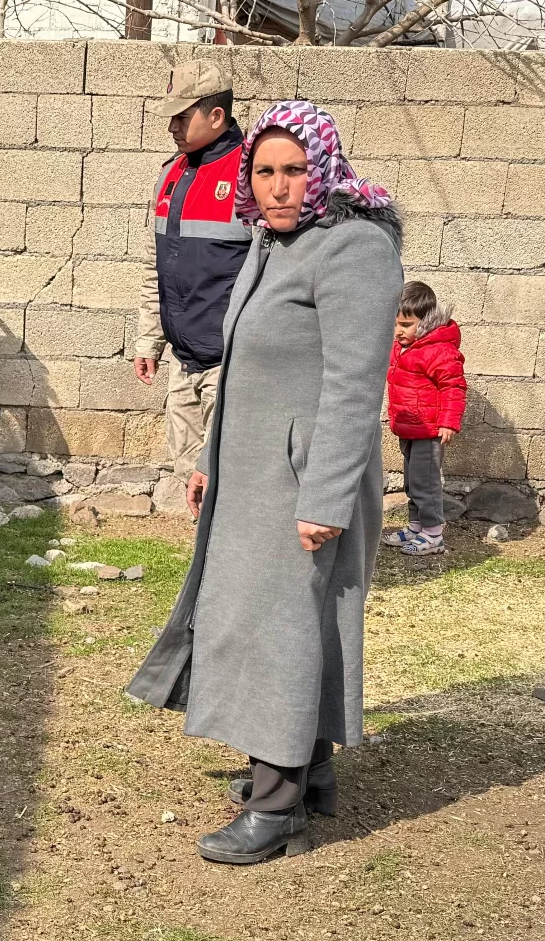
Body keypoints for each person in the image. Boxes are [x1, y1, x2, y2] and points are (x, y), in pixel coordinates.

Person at [126, 101, 404, 866]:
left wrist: (323, 499)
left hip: (305, 480)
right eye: (265, 171)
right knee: (275, 620)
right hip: (250, 475)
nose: (279, 187)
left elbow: (354, 387)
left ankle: (275, 807)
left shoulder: (354, 249)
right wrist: (210, 458)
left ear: (325, 170)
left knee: (279, 629)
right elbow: (242, 367)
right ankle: (308, 774)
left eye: (295, 170)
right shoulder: (270, 243)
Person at [131, 59, 250, 511]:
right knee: (189, 473)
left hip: (230, 362)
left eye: (182, 116)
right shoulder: (172, 173)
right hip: (184, 360)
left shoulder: (250, 175)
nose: (173, 127)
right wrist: (149, 340)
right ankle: (204, 562)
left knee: (227, 475)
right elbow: (154, 266)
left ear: (215, 115)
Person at [384, 281, 466, 556]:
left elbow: (453, 386)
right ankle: (416, 526)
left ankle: (433, 535)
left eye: (405, 325)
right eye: (395, 324)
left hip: (430, 431)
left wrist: (448, 422)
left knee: (425, 482)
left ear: (426, 320)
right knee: (411, 481)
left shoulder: (438, 350)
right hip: (409, 428)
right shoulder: (402, 348)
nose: (398, 332)